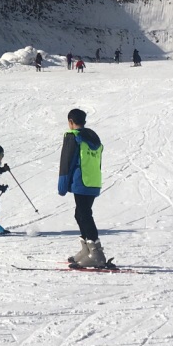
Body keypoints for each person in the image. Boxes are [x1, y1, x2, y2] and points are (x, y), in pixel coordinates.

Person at [59, 108, 110, 268]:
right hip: (94, 180)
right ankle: (87, 249)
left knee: (84, 214)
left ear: (70, 122)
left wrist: (62, 186)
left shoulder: (72, 136)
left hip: (81, 181)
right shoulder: (93, 137)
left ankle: (96, 254)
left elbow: (66, 163)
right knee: (80, 213)